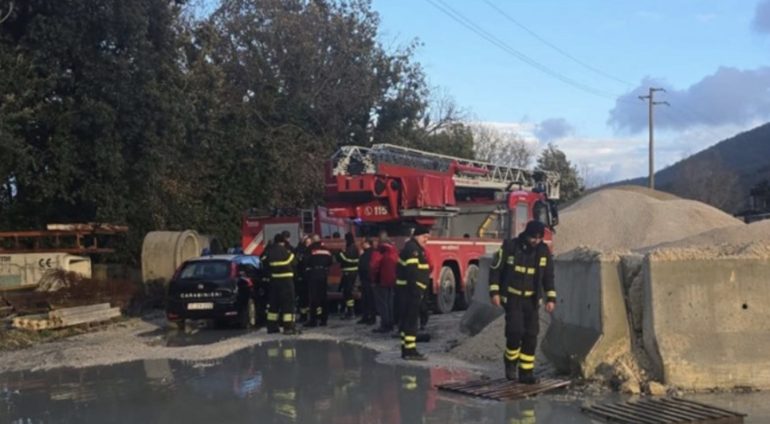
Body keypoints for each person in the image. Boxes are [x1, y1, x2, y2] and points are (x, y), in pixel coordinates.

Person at [489, 220, 556, 384]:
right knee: (515, 332)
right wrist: (494, 292)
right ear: (527, 234)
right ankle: (510, 362)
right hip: (513, 298)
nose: (536, 241)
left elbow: (548, 276)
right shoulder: (510, 247)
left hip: (532, 300)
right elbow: (495, 270)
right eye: (534, 237)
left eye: (540, 238)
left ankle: (526, 373)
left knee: (531, 335)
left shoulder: (543, 251)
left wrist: (551, 298)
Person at [396, 227, 431, 360]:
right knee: (411, 321)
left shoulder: (412, 247)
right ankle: (410, 351)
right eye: (424, 237)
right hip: (410, 291)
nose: (426, 240)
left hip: (407, 291)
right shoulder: (413, 249)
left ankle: (406, 349)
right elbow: (412, 272)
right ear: (416, 236)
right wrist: (417, 290)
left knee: (406, 321)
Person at [263, 233, 299, 335]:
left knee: (273, 305)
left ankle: (272, 327)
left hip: (274, 281)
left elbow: (263, 261)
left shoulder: (269, 251)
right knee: (288, 304)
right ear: (283, 241)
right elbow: (295, 264)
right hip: (286, 281)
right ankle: (288, 327)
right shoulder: (287, 252)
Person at [371, 231, 397, 334]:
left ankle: (385, 325)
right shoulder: (393, 250)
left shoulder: (380, 250)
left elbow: (374, 266)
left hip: (381, 280)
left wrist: (373, 279)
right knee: (390, 303)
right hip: (392, 280)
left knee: (382, 304)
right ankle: (390, 323)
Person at [304, 234, 333, 327]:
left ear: (312, 240)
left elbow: (306, 261)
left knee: (313, 298)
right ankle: (324, 320)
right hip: (323, 274)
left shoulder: (310, 248)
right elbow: (330, 261)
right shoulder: (326, 249)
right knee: (323, 297)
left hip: (313, 274)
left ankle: (313, 320)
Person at [336, 232, 359, 319]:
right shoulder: (353, 247)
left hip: (348, 273)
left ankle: (350, 312)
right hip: (351, 273)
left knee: (348, 292)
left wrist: (340, 253)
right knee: (347, 292)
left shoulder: (351, 248)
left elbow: (347, 260)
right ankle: (350, 310)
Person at [357, 238, 377, 325]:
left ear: (367, 243)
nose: (362, 244)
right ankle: (366, 316)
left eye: (363, 243)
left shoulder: (369, 253)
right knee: (366, 299)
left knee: (369, 299)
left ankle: (370, 317)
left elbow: (364, 266)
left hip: (367, 279)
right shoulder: (368, 253)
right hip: (366, 279)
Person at [294, 235, 312, 323]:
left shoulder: (310, 250)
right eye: (307, 242)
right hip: (302, 278)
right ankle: (303, 316)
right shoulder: (300, 251)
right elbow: (298, 264)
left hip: (309, 277)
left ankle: (309, 315)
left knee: (309, 298)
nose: (309, 243)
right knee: (303, 298)